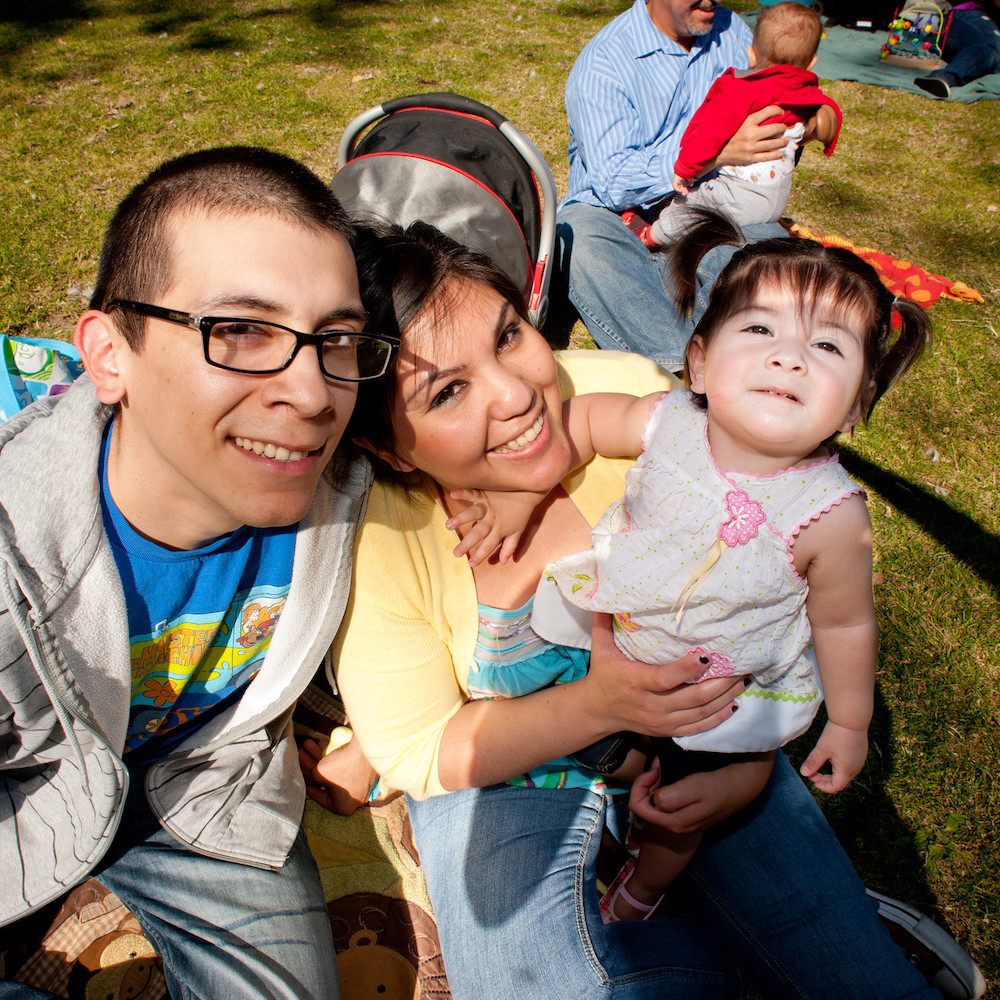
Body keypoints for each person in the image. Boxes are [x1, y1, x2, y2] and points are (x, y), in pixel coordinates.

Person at [317, 219, 951, 1000]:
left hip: (705, 751)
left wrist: (750, 773)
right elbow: (421, 751)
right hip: (513, 778)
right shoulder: (382, 530)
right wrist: (600, 704)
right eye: (447, 391)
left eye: (510, 335)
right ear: (387, 448)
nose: (518, 393)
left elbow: (776, 600)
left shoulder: (638, 402)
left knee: (858, 980)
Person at [0, 147, 399, 999]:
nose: (312, 392)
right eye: (242, 331)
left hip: (213, 791)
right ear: (110, 355)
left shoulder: (351, 495)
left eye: (336, 338)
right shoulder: (13, 555)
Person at [496, 210, 928, 916]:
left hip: (719, 692)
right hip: (620, 625)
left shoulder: (830, 513)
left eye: (827, 345)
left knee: (680, 807)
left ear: (858, 403)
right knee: (542, 687)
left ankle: (648, 884)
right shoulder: (665, 421)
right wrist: (521, 492)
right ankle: (607, 767)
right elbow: (578, 425)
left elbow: (846, 626)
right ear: (697, 359)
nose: (789, 357)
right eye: (760, 329)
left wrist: (850, 723)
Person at [557, 0, 793, 367]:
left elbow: (779, 97)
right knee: (582, 245)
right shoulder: (605, 62)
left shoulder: (733, 32)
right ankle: (687, 364)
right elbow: (613, 182)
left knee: (762, 259)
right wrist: (711, 153)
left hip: (712, 198)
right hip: (613, 210)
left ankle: (731, 347)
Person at [650, 3, 842, 243]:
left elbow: (709, 131)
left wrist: (686, 168)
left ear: (751, 55)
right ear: (812, 63)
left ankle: (654, 236)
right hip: (776, 199)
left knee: (691, 206)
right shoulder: (807, 93)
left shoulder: (741, 89)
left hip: (738, 193)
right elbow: (828, 111)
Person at [914, 1, 1000, 98]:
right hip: (968, 14)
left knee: (994, 58)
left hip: (982, 33)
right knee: (989, 46)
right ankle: (944, 77)